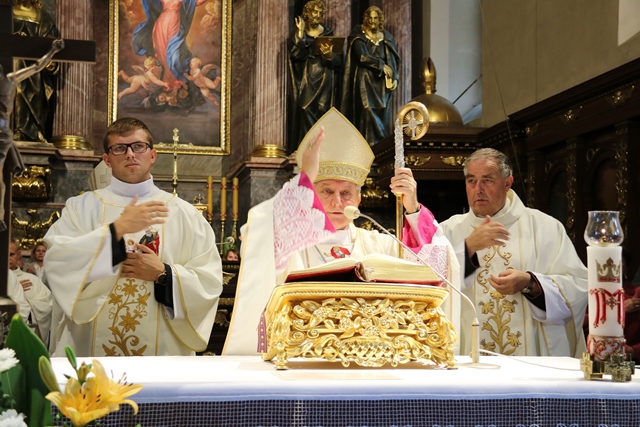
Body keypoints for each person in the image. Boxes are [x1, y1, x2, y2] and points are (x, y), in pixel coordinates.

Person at [223, 108, 458, 355]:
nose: (337, 201)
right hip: (303, 357)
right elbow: (261, 231)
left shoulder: (381, 245)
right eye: (326, 191)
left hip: (369, 358)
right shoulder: (292, 242)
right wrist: (306, 176)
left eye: (346, 193)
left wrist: (412, 207)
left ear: (358, 200)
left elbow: (433, 266)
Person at [43, 117, 223, 357]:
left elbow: (209, 282)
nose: (130, 154)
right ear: (107, 159)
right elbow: (57, 263)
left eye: (138, 146)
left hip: (162, 354)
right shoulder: (81, 208)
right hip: (92, 351)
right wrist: (116, 230)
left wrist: (164, 274)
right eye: (119, 148)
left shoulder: (185, 214)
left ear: (153, 155)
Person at [440, 148, 588, 357]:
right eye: (471, 181)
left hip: (529, 362)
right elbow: (432, 286)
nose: (478, 189)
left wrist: (530, 283)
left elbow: (578, 286)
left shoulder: (544, 227)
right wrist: (468, 248)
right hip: (469, 357)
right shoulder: (447, 231)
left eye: (487, 180)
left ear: (507, 183)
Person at [0, 38, 63, 230]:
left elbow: (36, 67)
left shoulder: (10, 80)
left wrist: (52, 51)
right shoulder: (9, 80)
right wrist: (52, 51)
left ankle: (0, 216)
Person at [287, 0, 342, 153]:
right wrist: (299, 34)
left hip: (325, 77)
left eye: (319, 13)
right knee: (304, 107)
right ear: (307, 14)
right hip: (307, 76)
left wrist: (329, 55)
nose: (317, 15)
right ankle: (306, 148)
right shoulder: (301, 33)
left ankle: (322, 149)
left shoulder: (328, 34)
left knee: (323, 110)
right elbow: (296, 56)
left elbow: (339, 62)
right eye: (314, 12)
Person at [340, 6, 399, 146]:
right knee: (366, 110)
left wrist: (395, 77)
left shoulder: (387, 38)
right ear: (366, 19)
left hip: (381, 84)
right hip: (364, 80)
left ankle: (379, 147)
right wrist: (381, 65)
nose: (373, 21)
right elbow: (362, 57)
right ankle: (366, 147)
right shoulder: (358, 35)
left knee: (382, 113)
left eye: (376, 18)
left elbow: (392, 60)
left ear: (380, 20)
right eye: (370, 18)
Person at [12, 0, 62, 142]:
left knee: (34, 95)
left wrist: (50, 62)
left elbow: (50, 45)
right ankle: (15, 129)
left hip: (35, 72)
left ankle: (33, 130)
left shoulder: (42, 16)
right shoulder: (5, 12)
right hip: (10, 68)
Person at [132, 0, 208, 91]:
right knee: (161, 52)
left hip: (175, 23)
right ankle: (167, 81)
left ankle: (177, 78)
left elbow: (197, 2)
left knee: (174, 53)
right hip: (161, 24)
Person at [8, 238, 52, 343]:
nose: (7, 258)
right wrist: (14, 288)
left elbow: (48, 304)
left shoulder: (33, 280)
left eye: (11, 254)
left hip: (29, 335)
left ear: (18, 254)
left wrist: (28, 306)